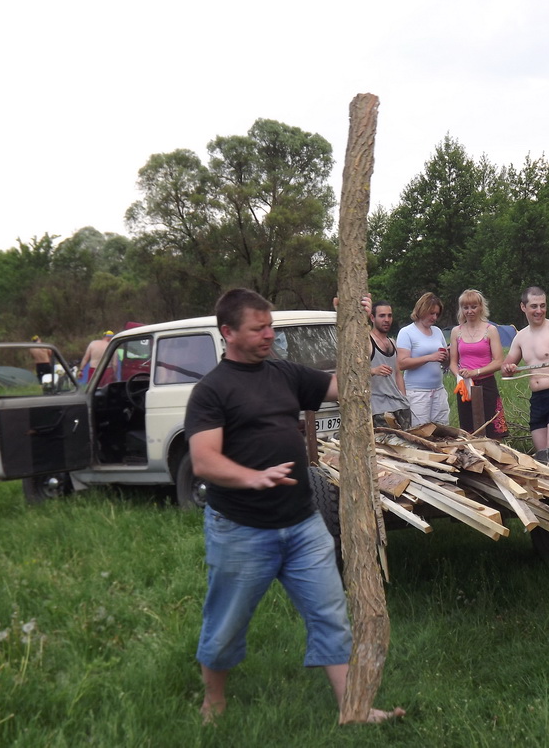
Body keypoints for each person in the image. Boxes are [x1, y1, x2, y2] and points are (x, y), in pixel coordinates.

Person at [184, 288, 403, 725]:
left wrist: (355, 326)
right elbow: (204, 460)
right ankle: (214, 702)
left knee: (330, 615)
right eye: (258, 329)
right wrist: (253, 477)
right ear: (228, 332)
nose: (269, 335)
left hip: (303, 524)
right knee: (226, 622)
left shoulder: (283, 373)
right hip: (242, 528)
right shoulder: (212, 391)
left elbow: (345, 385)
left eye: (270, 326)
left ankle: (353, 709)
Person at [501, 286, 549, 450]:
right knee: (543, 457)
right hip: (537, 400)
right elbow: (504, 369)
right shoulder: (520, 337)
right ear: (523, 307)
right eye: (534, 306)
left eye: (543, 305)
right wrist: (509, 368)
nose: (539, 311)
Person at [449, 289, 508, 439]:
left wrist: (476, 372)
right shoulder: (456, 331)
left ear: (481, 307)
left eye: (473, 307)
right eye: (466, 307)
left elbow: (499, 361)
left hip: (486, 384)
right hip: (465, 386)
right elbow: (453, 362)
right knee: (469, 430)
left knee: (492, 430)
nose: (469, 311)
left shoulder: (491, 330)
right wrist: (459, 376)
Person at [396, 292, 450, 427]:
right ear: (422, 310)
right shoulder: (407, 332)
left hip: (438, 390)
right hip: (417, 393)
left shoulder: (437, 331)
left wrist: (446, 357)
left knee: (442, 430)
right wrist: (430, 357)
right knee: (420, 431)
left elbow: (444, 360)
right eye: (431, 313)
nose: (434, 317)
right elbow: (402, 363)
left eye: (437, 314)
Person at [369, 300, 411, 430]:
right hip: (378, 407)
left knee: (408, 440)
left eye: (389, 315)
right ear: (372, 318)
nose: (386, 320)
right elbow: (353, 372)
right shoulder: (367, 342)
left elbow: (398, 373)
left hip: (399, 404)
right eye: (382, 316)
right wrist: (373, 370)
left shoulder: (392, 342)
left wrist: (404, 397)